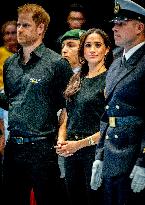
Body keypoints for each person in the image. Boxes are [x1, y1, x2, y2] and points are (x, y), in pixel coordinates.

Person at [1, 3, 73, 205]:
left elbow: (68, 107)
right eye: (18, 25)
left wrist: (61, 138)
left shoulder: (57, 64)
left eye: (25, 25)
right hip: (13, 146)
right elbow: (11, 101)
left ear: (40, 28)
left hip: (42, 147)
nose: (19, 30)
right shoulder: (9, 64)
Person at [90, 0, 145, 204]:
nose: (114, 27)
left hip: (134, 156)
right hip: (113, 152)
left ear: (139, 27)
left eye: (122, 22)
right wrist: (99, 155)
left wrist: (144, 161)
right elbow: (108, 112)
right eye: (114, 23)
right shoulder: (115, 60)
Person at [55, 28, 113, 205]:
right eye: (88, 45)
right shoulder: (76, 78)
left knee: (94, 200)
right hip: (71, 152)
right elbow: (67, 114)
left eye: (98, 45)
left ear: (107, 49)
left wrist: (78, 144)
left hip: (95, 151)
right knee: (74, 199)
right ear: (83, 50)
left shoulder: (110, 79)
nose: (92, 50)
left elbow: (110, 124)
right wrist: (61, 140)